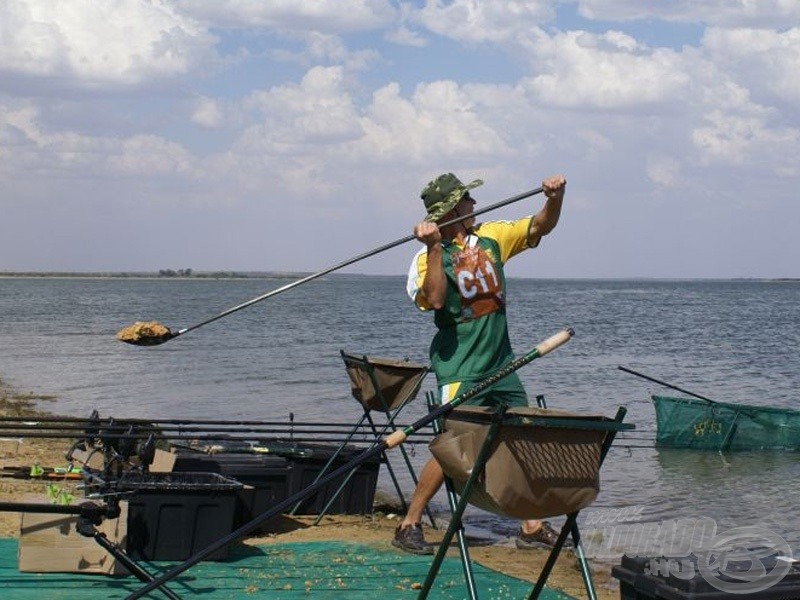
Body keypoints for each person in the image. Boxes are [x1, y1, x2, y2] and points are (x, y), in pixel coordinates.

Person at [393, 171, 567, 555]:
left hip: (502, 365)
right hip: (460, 368)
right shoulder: (424, 258)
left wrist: (555, 198)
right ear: (454, 208)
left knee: (523, 438)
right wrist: (436, 248)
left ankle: (530, 525)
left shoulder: (492, 237)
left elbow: (541, 225)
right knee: (456, 449)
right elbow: (436, 300)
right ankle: (409, 523)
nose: (474, 204)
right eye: (467, 199)